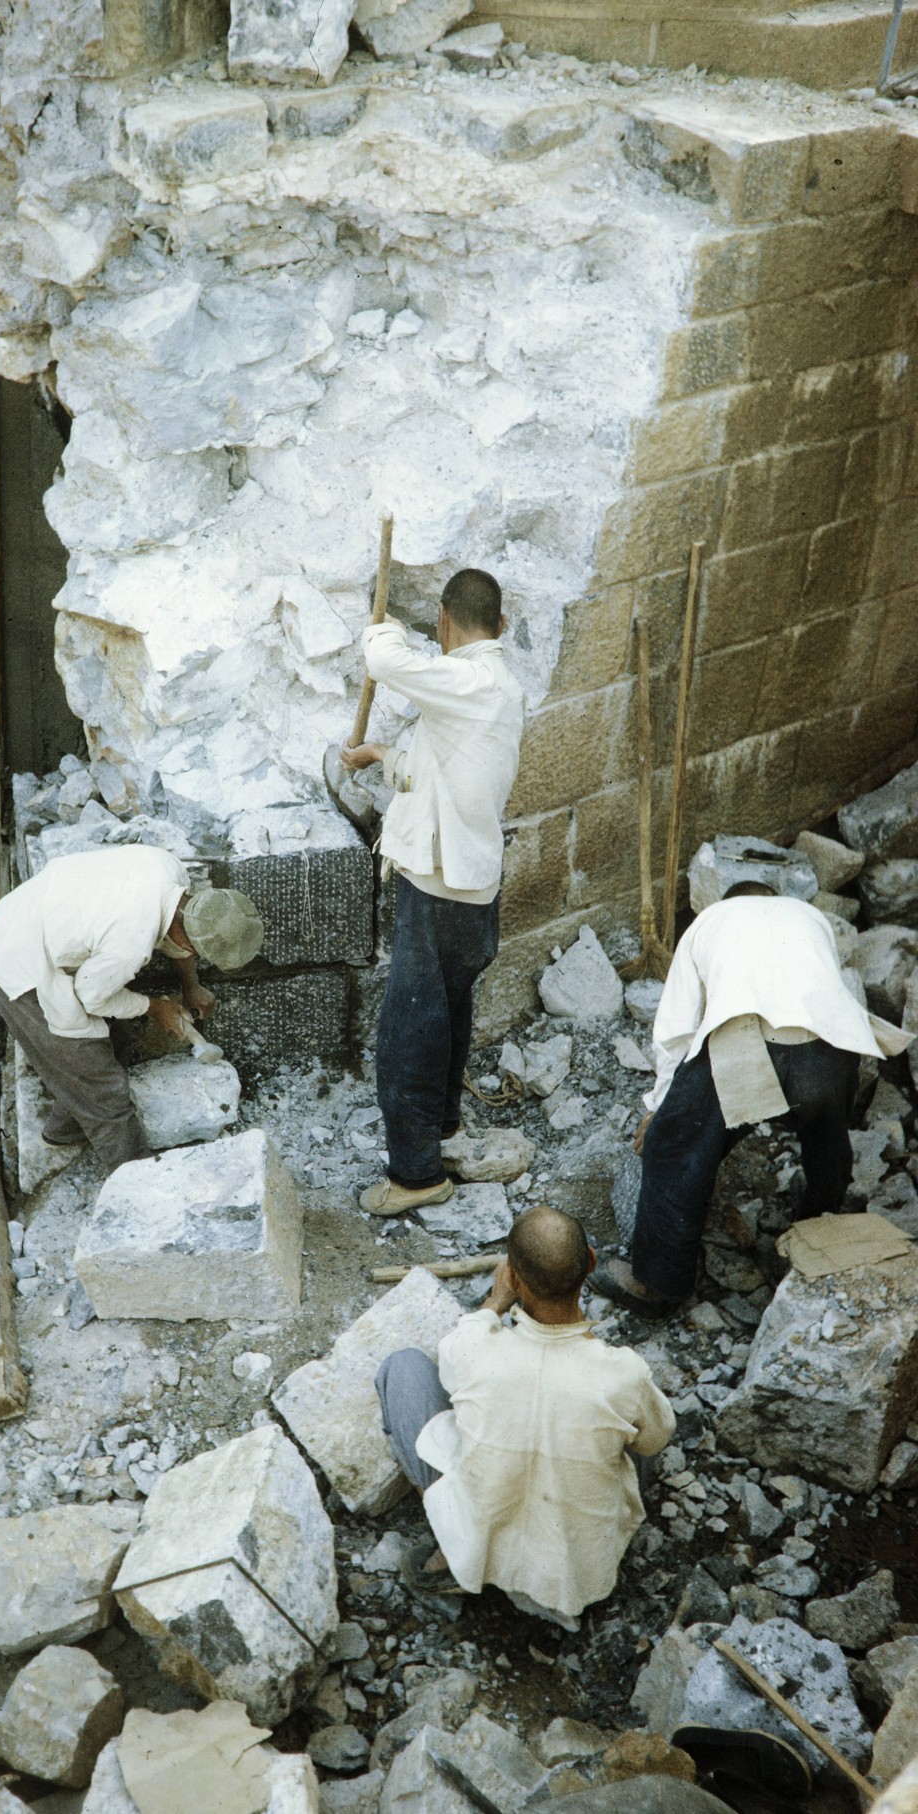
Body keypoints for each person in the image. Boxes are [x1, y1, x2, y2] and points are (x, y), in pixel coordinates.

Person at [592, 886, 915, 1322]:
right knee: (826, 1141)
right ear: (772, 897)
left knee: (677, 1145)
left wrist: (660, 1107)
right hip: (826, 1046)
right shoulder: (810, 917)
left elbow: (676, 1029)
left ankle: (657, 1287)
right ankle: (817, 1232)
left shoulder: (707, 923)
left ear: (725, 901)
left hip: (748, 1040)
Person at [374, 1206, 675, 1629]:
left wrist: (494, 1304)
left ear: (513, 1278)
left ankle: (457, 1555)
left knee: (402, 1368)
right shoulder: (624, 1373)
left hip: (478, 1544)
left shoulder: (473, 1349)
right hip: (574, 1575)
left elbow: (461, 1346)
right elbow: (656, 1440)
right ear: (590, 1262)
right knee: (640, 1431)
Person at [341, 568, 524, 1216]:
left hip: (440, 888)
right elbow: (442, 769)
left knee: (409, 1029)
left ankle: (416, 1177)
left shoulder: (470, 677)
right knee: (446, 1013)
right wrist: (380, 756)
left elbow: (383, 658)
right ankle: (442, 1131)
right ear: (500, 624)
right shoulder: (489, 689)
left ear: (445, 620)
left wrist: (382, 625)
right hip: (469, 887)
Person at [0, 844, 264, 1171]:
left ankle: (65, 1128)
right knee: (105, 1088)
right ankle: (136, 1184)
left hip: (36, 913)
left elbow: (184, 936)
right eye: (199, 953)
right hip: (24, 965)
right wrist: (157, 1007)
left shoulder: (172, 873)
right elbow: (92, 997)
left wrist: (191, 985)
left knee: (111, 1044)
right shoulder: (131, 944)